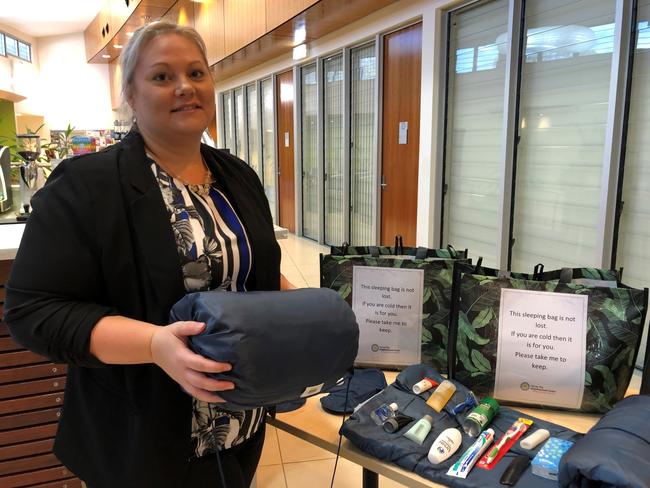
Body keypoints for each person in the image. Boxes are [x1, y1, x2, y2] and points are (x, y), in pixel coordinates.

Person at [5, 21, 285, 488]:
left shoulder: (238, 177)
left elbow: (258, 277)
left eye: (197, 73)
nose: (184, 88)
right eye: (161, 77)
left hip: (241, 423)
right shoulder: (87, 185)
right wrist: (155, 345)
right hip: (140, 438)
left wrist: (314, 313)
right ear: (131, 95)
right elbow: (33, 311)